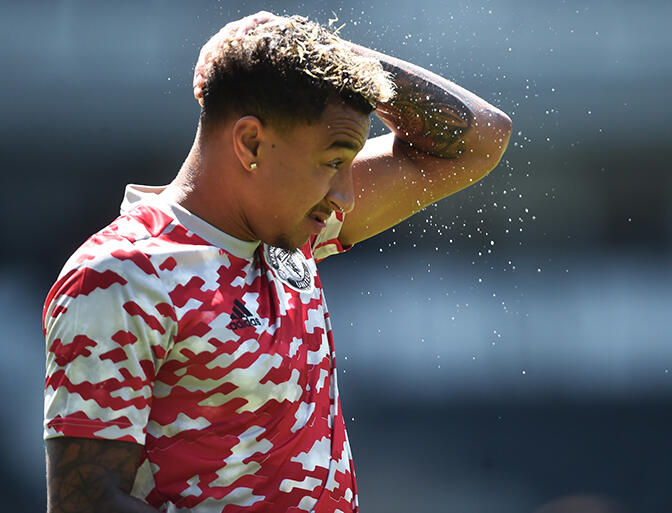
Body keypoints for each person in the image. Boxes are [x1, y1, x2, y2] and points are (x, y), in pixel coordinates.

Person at [42, 11, 511, 513]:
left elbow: (480, 140)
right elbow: (84, 503)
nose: (347, 196)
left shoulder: (290, 235)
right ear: (251, 143)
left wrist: (327, 54)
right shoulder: (122, 275)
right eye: (334, 162)